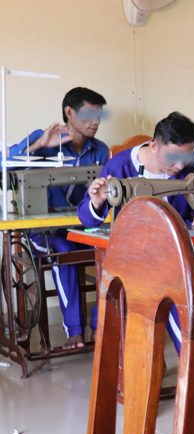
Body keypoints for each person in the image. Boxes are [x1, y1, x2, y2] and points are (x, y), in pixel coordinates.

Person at [78, 112, 194, 359]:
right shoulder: (120, 166)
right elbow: (86, 219)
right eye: (174, 158)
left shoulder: (189, 164)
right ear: (154, 145)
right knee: (170, 281)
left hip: (181, 246)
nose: (180, 166)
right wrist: (97, 200)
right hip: (136, 253)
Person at [6, 87, 110, 348]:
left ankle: (101, 327)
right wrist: (39, 146)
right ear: (68, 113)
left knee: (110, 251)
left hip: (83, 225)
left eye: (99, 115)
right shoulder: (42, 139)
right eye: (89, 114)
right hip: (44, 230)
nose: (96, 122)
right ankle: (75, 331)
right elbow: (4, 165)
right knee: (63, 251)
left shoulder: (99, 150)